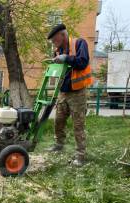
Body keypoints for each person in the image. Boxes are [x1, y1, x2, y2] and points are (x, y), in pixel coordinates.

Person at [46, 24, 93, 167]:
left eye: (55, 39)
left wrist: (66, 58)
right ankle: (59, 144)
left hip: (78, 92)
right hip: (63, 92)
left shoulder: (79, 43)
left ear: (62, 35)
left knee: (78, 124)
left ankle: (80, 155)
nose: (54, 43)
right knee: (58, 121)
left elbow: (82, 62)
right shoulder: (58, 51)